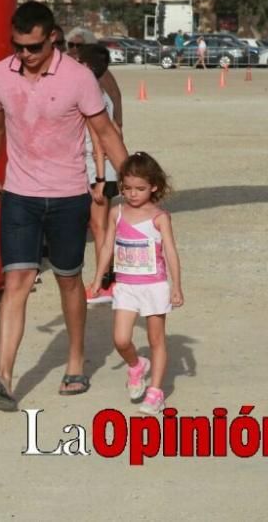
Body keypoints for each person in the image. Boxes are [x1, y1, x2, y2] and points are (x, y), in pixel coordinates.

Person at [0, 2, 128, 411]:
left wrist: (132, 179)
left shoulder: (78, 78)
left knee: (68, 280)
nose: (25, 55)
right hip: (20, 195)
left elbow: (104, 131)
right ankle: (3, 377)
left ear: (52, 37)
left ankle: (75, 362)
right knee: (17, 280)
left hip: (68, 195)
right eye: (18, 46)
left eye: (33, 47)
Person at [88, 151, 184, 415]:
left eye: (140, 189)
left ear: (154, 186)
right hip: (126, 287)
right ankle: (136, 365)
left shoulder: (160, 217)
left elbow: (171, 252)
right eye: (127, 188)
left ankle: (155, 392)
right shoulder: (116, 213)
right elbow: (107, 245)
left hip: (155, 286)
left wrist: (176, 286)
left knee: (156, 339)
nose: (133, 194)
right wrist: (98, 279)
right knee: (120, 339)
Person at [77, 44, 120, 304]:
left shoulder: (90, 96)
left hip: (99, 171)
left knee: (100, 227)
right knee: (103, 227)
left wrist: (100, 179)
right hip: (106, 170)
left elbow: (98, 141)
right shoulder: (103, 94)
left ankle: (102, 283)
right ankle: (107, 280)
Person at [64, 27, 123, 129]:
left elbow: (115, 95)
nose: (74, 49)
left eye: (79, 46)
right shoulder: (63, 63)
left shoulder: (100, 70)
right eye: (71, 45)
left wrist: (118, 125)